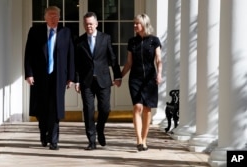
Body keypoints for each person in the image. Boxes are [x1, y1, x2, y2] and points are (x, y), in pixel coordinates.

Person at [24, 6, 75, 150]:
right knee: (41, 108)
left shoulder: (66, 32)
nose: (53, 18)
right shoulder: (35, 31)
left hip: (58, 77)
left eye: (56, 16)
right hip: (40, 77)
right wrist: (29, 73)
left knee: (55, 108)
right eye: (51, 15)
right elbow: (29, 54)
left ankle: (54, 141)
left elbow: (71, 55)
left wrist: (71, 77)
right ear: (45, 17)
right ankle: (43, 132)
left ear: (59, 17)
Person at [74, 12, 122, 150]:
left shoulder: (105, 38)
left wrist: (117, 76)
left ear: (96, 24)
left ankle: (100, 128)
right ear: (84, 25)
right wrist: (77, 81)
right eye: (86, 24)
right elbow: (77, 63)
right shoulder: (79, 40)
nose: (88, 26)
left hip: (103, 80)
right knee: (88, 110)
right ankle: (92, 140)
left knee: (105, 109)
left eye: (91, 24)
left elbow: (112, 58)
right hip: (86, 81)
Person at [121, 14, 162, 151]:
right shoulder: (132, 41)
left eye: (137, 23)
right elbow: (129, 62)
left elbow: (158, 60)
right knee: (137, 107)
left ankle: (144, 140)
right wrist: (120, 76)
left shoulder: (154, 40)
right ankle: (138, 139)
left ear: (144, 24)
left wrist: (159, 74)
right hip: (135, 79)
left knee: (147, 109)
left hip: (150, 78)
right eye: (134, 23)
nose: (134, 25)